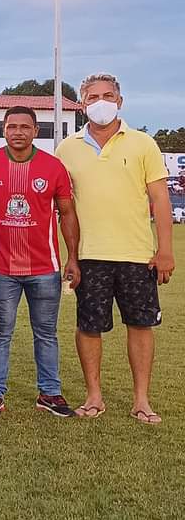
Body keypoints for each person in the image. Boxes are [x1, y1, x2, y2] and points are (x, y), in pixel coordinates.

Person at [56, 73, 175, 424]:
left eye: (108, 95)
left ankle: (142, 400)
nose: (101, 102)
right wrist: (70, 256)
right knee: (89, 327)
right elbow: (63, 208)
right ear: (82, 104)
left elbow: (160, 200)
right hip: (89, 255)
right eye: (92, 96)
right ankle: (94, 396)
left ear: (120, 101)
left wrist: (165, 250)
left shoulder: (143, 144)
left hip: (137, 255)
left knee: (140, 325)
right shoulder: (67, 148)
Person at [0, 105, 80, 417]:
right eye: (12, 126)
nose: (18, 132)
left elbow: (67, 213)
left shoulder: (53, 167)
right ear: (4, 130)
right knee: (0, 333)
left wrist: (73, 258)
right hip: (0, 269)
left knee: (46, 333)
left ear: (36, 131)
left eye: (25, 127)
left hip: (45, 269)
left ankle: (50, 392)